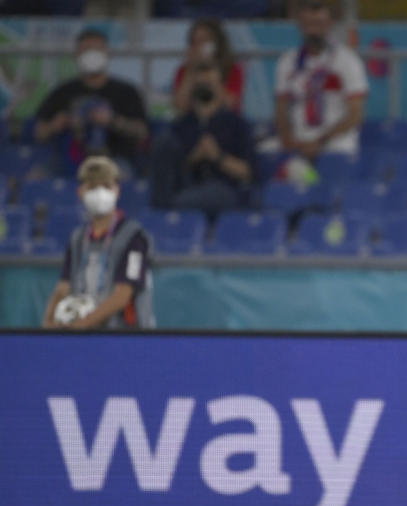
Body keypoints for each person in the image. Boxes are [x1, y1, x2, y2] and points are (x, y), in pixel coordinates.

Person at [42, 156, 155, 330]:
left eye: (106, 186)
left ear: (117, 190)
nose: (99, 193)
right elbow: (63, 287)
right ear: (80, 192)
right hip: (83, 335)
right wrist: (48, 323)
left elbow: (122, 296)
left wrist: (81, 325)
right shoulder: (78, 238)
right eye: (92, 187)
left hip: (124, 337)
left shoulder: (134, 237)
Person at [34, 28, 148, 176]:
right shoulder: (62, 92)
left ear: (107, 53)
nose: (91, 55)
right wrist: (55, 125)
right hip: (67, 160)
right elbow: (39, 133)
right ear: (77, 55)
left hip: (114, 160)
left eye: (97, 49)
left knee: (120, 177)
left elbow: (142, 132)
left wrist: (112, 121)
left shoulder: (127, 91)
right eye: (86, 50)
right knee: (36, 177)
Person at [150, 61, 255, 213]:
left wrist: (217, 156)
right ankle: (165, 209)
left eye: (210, 84)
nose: (205, 89)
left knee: (209, 193)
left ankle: (164, 211)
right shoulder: (181, 126)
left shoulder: (237, 124)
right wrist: (196, 156)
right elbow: (172, 171)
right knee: (163, 142)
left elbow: (247, 172)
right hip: (188, 184)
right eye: (200, 84)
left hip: (223, 187)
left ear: (221, 87)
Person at [274, 0, 369, 159]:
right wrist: (288, 139)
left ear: (330, 24)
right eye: (309, 24)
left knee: (338, 152)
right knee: (267, 151)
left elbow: (355, 114)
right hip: (298, 141)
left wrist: (320, 141)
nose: (313, 30)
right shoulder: (287, 62)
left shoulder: (348, 61)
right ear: (300, 25)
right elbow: (281, 110)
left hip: (335, 142)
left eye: (318, 23)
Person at [172, 19, 245, 115]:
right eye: (194, 42)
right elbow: (180, 106)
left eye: (203, 41)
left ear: (216, 43)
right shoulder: (184, 70)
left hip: (225, 121)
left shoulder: (233, 69)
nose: (198, 46)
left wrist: (213, 73)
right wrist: (191, 70)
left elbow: (230, 104)